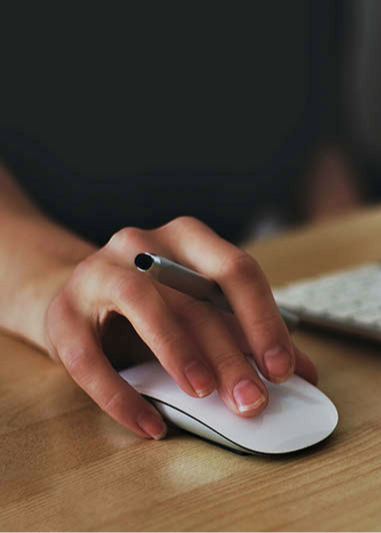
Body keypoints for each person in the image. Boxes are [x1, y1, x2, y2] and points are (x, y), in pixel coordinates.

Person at [0, 3, 354, 441]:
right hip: (63, 269)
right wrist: (60, 285)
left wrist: (354, 276)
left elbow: (321, 137)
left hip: (238, 285)